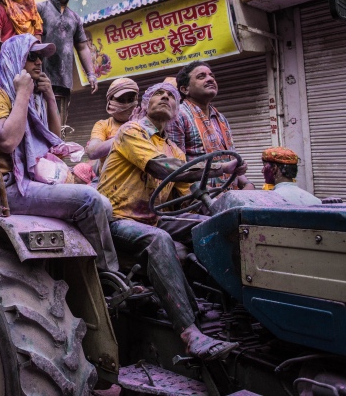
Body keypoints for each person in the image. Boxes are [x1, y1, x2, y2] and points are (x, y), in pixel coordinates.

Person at [97, 82, 243, 361]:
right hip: (117, 220)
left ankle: (231, 305)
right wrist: (220, 167)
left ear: (177, 112)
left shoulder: (175, 149)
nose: (166, 97)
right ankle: (190, 334)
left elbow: (185, 196)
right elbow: (160, 167)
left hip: (154, 218)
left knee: (216, 224)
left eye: (172, 97)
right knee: (159, 240)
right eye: (158, 94)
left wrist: (212, 204)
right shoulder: (132, 131)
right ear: (143, 105)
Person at [0, 35, 118, 271]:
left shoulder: (32, 98)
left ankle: (76, 269)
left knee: (106, 204)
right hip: (2, 188)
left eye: (40, 57)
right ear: (15, 59)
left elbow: (54, 142)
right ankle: (108, 276)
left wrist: (50, 97)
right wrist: (22, 94)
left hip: (31, 180)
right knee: (89, 201)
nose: (39, 62)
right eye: (31, 57)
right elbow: (8, 142)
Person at [170, 61, 255, 190]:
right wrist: (206, 198)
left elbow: (231, 159)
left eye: (212, 76)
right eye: (201, 76)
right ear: (185, 89)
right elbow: (177, 168)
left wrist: (247, 183)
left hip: (231, 196)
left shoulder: (220, 118)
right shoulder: (178, 116)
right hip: (200, 201)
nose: (210, 79)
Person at [37, 0, 98, 126]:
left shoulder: (74, 18)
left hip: (64, 82)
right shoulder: (40, 9)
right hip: (41, 78)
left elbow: (82, 46)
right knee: (40, 123)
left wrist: (91, 74)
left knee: (59, 125)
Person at [86, 78, 139, 162]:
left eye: (130, 100)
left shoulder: (142, 123)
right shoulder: (103, 125)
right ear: (110, 101)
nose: (126, 105)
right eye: (120, 100)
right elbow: (92, 152)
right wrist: (125, 136)